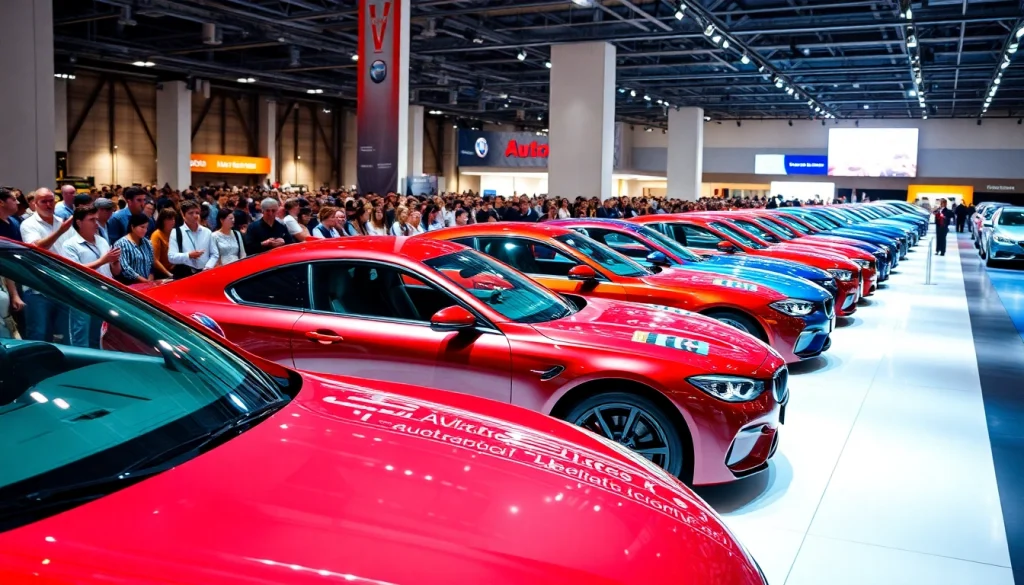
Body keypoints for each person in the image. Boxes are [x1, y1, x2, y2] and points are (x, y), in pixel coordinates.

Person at [62, 205, 121, 348]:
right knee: (81, 336)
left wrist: (115, 261)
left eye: (96, 219)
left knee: (99, 335)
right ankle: (80, 367)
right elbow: (75, 270)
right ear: (79, 222)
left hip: (103, 294)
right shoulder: (70, 245)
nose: (96, 223)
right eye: (91, 220)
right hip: (82, 295)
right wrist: (103, 260)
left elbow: (115, 272)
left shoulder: (102, 240)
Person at [168, 200, 214, 278]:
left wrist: (208, 267)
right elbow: (171, 257)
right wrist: (188, 255)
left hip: (205, 272)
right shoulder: (176, 232)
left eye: (197, 213)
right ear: (183, 214)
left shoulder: (207, 232)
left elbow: (214, 254)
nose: (195, 216)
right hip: (185, 274)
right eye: (191, 213)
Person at [113, 213, 155, 284]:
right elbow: (125, 268)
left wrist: (151, 276)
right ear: (132, 226)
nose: (145, 230)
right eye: (142, 227)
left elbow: (151, 262)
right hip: (130, 284)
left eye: (146, 227)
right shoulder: (121, 244)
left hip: (148, 282)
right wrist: (143, 280)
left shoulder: (147, 243)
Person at [150, 208, 177, 280]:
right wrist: (168, 273)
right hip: (162, 272)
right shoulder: (156, 235)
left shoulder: (174, 233)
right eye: (170, 219)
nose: (173, 221)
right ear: (163, 220)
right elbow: (155, 260)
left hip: (175, 268)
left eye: (174, 219)